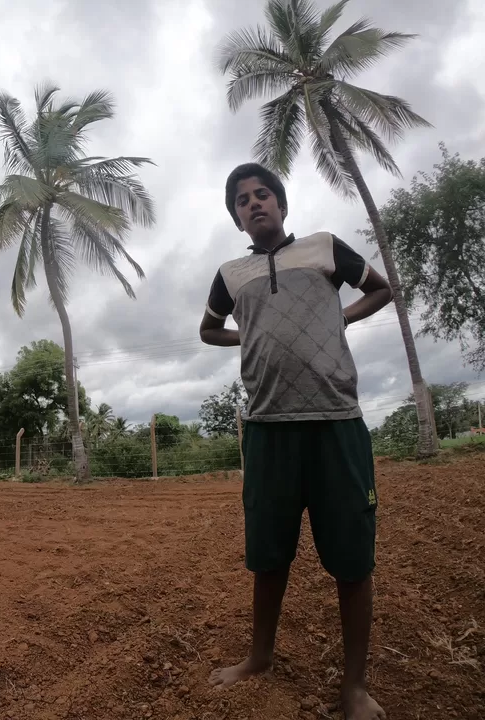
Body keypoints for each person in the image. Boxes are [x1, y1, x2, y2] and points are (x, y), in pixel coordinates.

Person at [200, 163, 392, 720]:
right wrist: (249, 335)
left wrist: (342, 318)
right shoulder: (231, 274)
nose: (254, 203)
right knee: (268, 555)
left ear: (281, 203)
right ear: (237, 218)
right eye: (242, 200)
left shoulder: (324, 249)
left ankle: (354, 687)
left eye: (263, 194)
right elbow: (208, 329)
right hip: (266, 430)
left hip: (336, 422)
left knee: (353, 559)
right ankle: (259, 657)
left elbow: (379, 289)